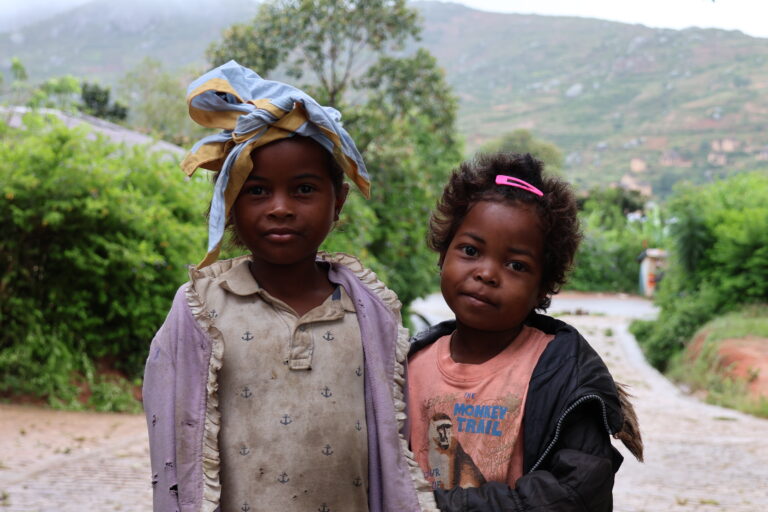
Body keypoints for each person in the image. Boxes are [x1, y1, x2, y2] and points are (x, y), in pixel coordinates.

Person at [142, 61, 436, 512]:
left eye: (303, 189)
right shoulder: (200, 310)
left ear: (337, 202)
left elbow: (395, 437)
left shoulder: (369, 311)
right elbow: (172, 426)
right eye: (257, 191)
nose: (280, 208)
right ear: (229, 203)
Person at [407, 152, 643, 511]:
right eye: (470, 250)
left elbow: (576, 490)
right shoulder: (407, 363)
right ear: (443, 254)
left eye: (516, 265)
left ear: (544, 287)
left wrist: (441, 506)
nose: (486, 273)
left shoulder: (564, 372)